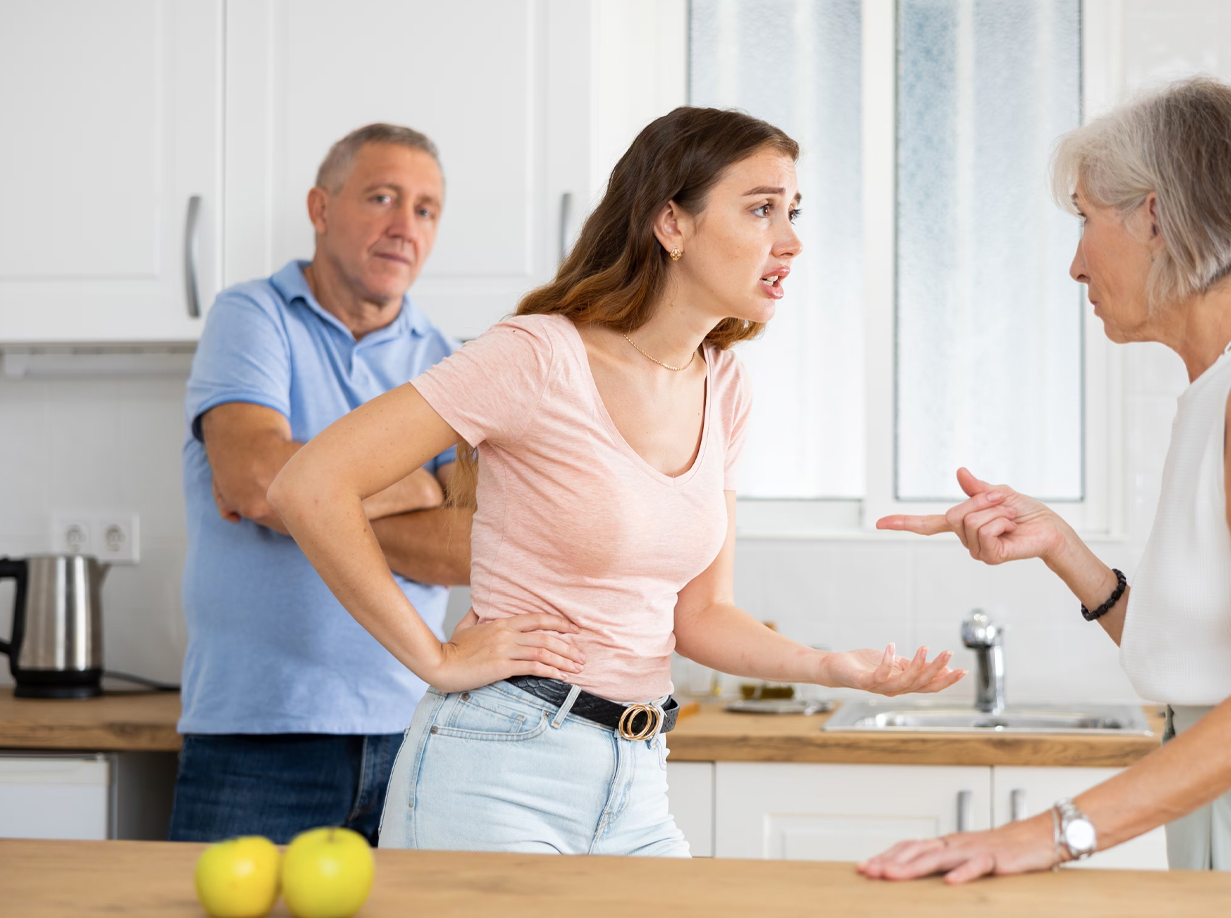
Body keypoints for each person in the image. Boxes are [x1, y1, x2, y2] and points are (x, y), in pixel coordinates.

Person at [267, 107, 964, 856]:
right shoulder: (538, 357)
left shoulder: (723, 388)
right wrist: (433, 658)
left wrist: (828, 667)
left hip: (636, 776)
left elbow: (701, 615)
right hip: (497, 767)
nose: (790, 240)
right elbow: (309, 485)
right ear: (672, 223)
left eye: (792, 213)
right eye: (761, 209)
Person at [862, 77, 1231, 881]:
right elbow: (1212, 662)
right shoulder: (1230, 381)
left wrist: (1041, 836)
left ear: (1154, 213)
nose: (1075, 264)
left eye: (1083, 217)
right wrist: (1064, 550)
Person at [169, 124, 472, 845]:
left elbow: (465, 545)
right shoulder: (252, 316)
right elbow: (254, 480)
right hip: (257, 736)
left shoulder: (445, 360)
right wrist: (419, 487)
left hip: (408, 734)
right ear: (321, 207)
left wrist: (308, 497)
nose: (405, 227)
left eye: (426, 209)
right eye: (381, 198)